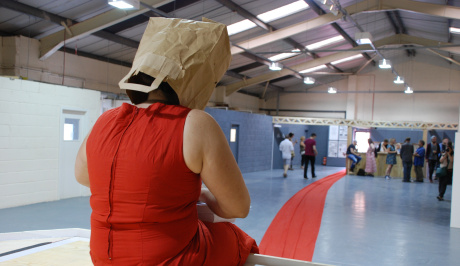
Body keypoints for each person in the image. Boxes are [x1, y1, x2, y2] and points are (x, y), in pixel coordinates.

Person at [74, 17, 258, 265]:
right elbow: (238, 207)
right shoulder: (195, 123)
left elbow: (84, 177)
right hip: (169, 259)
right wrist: (200, 194)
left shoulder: (103, 121)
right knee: (236, 239)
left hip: (103, 256)